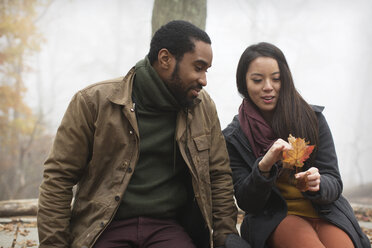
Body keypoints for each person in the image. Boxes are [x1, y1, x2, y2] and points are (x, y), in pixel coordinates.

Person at [37, 20, 250, 248]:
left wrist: (226, 238)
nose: (204, 80)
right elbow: (58, 178)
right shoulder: (93, 102)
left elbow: (218, 176)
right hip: (104, 228)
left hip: (169, 228)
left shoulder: (202, 107)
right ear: (165, 59)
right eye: (198, 67)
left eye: (206, 70)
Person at [223, 42, 371, 248]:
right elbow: (247, 202)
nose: (268, 86)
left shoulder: (312, 119)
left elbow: (334, 181)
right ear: (244, 83)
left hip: (325, 212)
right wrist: (263, 167)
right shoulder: (234, 137)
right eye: (257, 80)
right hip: (276, 217)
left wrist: (318, 183)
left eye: (276, 79)